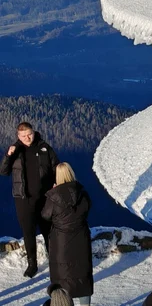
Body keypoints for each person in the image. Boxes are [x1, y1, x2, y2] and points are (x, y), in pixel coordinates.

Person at [0, 121, 59, 277]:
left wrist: (56, 184)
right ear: (18, 136)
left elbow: (56, 167)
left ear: (34, 132)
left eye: (30, 134)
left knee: (49, 230)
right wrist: (8, 155)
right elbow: (3, 171)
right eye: (24, 135)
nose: (27, 138)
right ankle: (32, 264)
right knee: (28, 232)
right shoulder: (16, 150)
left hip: (46, 197)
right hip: (23, 198)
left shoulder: (45, 147)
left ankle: (55, 262)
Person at [42, 162, 93, 305]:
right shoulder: (82, 193)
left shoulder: (53, 197)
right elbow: (87, 208)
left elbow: (45, 215)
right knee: (83, 278)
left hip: (61, 241)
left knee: (62, 277)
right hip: (81, 240)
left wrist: (52, 193)